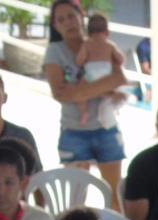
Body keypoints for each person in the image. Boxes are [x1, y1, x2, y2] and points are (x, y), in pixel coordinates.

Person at [43, 0, 129, 207]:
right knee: (75, 200)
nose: (68, 22)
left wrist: (77, 92)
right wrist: (103, 87)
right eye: (61, 19)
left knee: (115, 196)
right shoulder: (55, 51)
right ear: (55, 25)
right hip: (74, 131)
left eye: (71, 16)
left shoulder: (100, 43)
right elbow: (59, 93)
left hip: (106, 129)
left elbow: (120, 78)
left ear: (81, 17)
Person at [74, 13, 125, 129]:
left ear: (88, 32)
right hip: (106, 73)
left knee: (80, 90)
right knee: (114, 88)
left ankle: (84, 112)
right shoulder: (110, 45)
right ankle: (115, 106)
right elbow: (121, 59)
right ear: (107, 32)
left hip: (91, 73)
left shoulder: (87, 44)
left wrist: (83, 61)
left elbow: (79, 61)